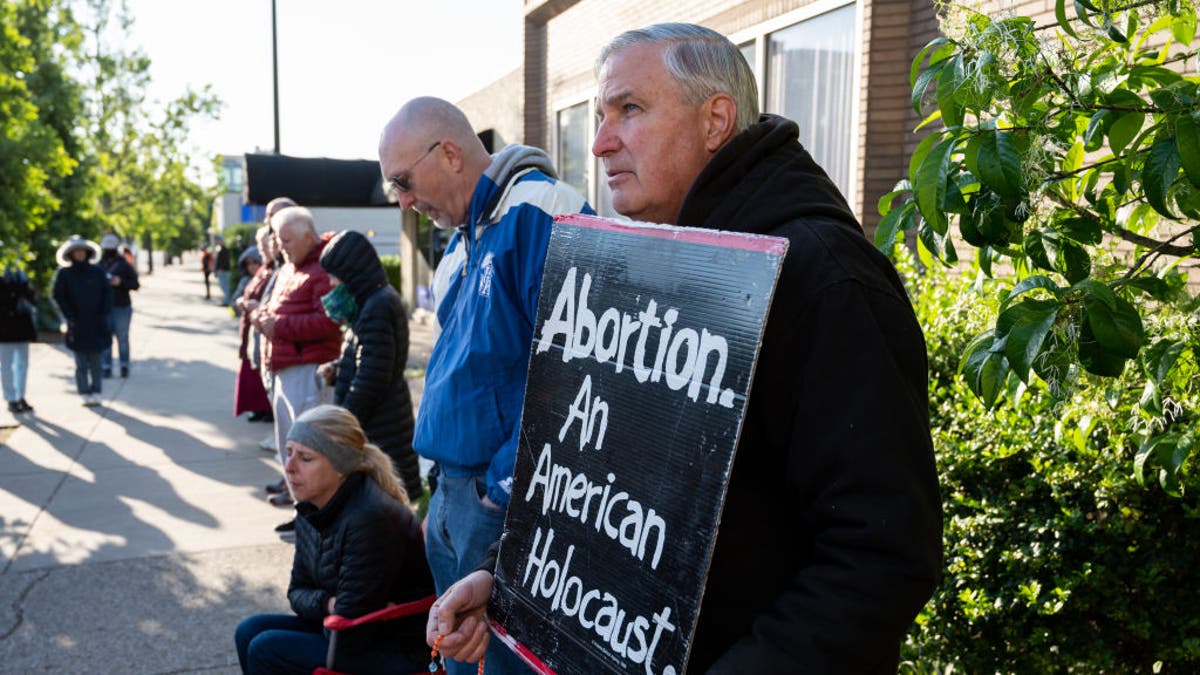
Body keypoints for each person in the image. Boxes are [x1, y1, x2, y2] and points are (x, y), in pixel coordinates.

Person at [427, 23, 943, 674]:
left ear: (716, 120)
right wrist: (511, 586)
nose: (601, 141)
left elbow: (882, 555)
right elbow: (602, 496)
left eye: (630, 109)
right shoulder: (659, 265)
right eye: (599, 115)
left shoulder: (826, 278)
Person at [377, 96, 592, 675]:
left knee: (498, 665)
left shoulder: (539, 209)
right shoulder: (460, 242)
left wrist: (498, 489)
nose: (402, 200)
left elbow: (576, 371)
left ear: (448, 153)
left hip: (495, 503)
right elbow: (457, 373)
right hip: (455, 497)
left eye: (402, 180)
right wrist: (440, 494)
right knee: (458, 661)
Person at [234, 404, 435, 674]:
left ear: (340, 465)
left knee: (266, 648)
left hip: (393, 646)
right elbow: (296, 593)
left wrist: (326, 606)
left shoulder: (369, 518)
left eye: (305, 458)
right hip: (345, 630)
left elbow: (352, 626)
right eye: (289, 452)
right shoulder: (311, 506)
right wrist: (329, 603)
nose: (289, 467)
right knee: (248, 631)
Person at [254, 205, 342, 534]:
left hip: (309, 369)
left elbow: (328, 322)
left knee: (310, 450)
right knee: (291, 448)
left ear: (308, 236)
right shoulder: (295, 266)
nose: (281, 246)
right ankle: (304, 512)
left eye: (287, 240)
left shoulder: (322, 268)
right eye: (279, 239)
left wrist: (279, 326)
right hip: (287, 366)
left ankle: (315, 516)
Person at [318, 229, 422, 502]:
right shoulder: (369, 303)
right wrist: (339, 369)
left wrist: (343, 424)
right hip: (380, 422)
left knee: (384, 504)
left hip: (381, 426)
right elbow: (367, 357)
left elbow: (373, 378)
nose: (331, 284)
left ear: (352, 273)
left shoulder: (378, 306)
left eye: (335, 277)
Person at [52, 235, 112, 407]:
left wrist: (103, 313)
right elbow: (59, 296)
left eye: (82, 251)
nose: (80, 254)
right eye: (76, 251)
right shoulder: (65, 274)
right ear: (71, 254)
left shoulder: (98, 272)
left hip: (96, 323)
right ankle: (84, 391)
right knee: (81, 363)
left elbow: (107, 293)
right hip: (77, 324)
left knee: (96, 361)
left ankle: (97, 391)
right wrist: (70, 316)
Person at [233, 237, 272, 424]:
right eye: (248, 264)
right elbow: (236, 299)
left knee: (260, 374)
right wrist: (242, 303)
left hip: (259, 332)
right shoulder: (251, 280)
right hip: (250, 330)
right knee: (252, 375)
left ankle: (266, 409)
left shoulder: (268, 275)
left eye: (254, 263)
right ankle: (257, 409)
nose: (251, 267)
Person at [98, 233, 139, 379]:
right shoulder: (98, 266)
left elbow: (135, 284)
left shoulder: (124, 265)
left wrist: (120, 282)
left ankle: (124, 366)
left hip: (122, 307)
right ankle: (106, 366)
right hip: (104, 308)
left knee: (122, 338)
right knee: (106, 338)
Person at [1, 264, 37, 414]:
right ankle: (11, 398)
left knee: (22, 364)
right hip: (4, 328)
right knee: (6, 365)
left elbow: (32, 298)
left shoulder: (22, 277)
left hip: (22, 327)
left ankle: (21, 396)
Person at [213, 235, 232, 306]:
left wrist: (220, 268)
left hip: (224, 271)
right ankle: (226, 300)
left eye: (217, 240)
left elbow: (224, 261)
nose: (216, 241)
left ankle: (226, 301)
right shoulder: (219, 249)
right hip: (221, 271)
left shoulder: (224, 250)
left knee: (225, 286)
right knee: (223, 286)